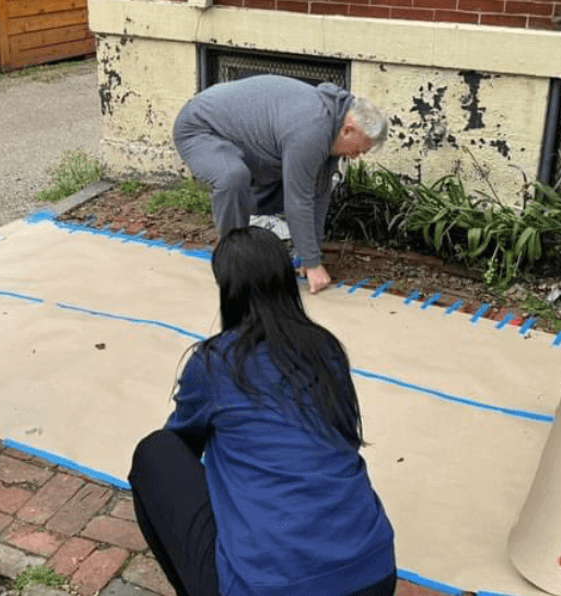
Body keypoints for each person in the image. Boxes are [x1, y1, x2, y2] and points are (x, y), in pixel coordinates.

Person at [128, 226, 397, 596]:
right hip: (375, 573)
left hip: (270, 589)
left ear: (228, 291)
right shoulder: (326, 349)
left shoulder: (215, 362)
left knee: (155, 452)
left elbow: (181, 445)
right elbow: (344, 436)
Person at [172, 75, 389, 294]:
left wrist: (308, 254)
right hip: (199, 128)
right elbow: (299, 199)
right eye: (360, 150)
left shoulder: (336, 120)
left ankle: (256, 223)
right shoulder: (312, 130)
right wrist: (313, 265)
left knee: (292, 176)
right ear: (348, 130)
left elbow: (319, 193)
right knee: (233, 177)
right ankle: (231, 260)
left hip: (242, 139)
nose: (356, 157)